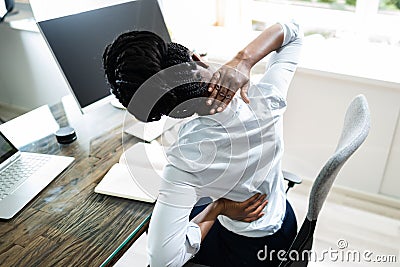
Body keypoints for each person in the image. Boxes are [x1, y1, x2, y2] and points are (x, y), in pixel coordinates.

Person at [103, 19, 303, 267]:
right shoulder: (267, 98)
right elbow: (293, 31)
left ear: (170, 110)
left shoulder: (184, 162)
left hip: (245, 251)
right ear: (198, 58)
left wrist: (217, 208)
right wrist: (244, 59)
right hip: (284, 224)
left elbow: (164, 261)